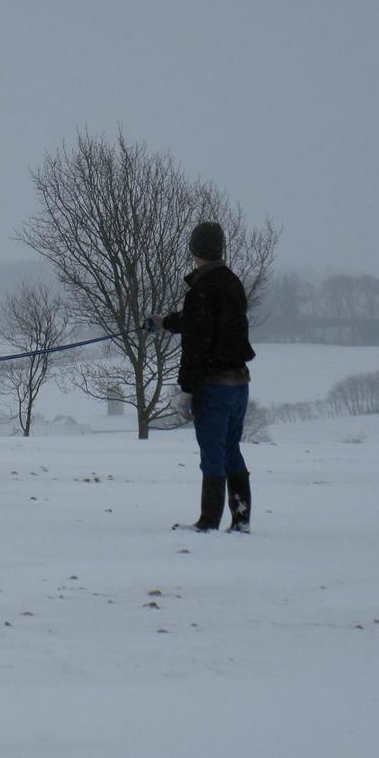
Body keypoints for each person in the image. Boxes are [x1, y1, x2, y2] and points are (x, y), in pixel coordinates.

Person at [146, 222, 256, 533]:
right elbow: (201, 323)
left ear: (195, 251)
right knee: (231, 449)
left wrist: (187, 390)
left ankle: (208, 522)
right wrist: (165, 322)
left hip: (214, 388)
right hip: (240, 384)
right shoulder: (232, 284)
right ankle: (241, 519)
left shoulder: (201, 290)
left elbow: (197, 343)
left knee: (212, 453)